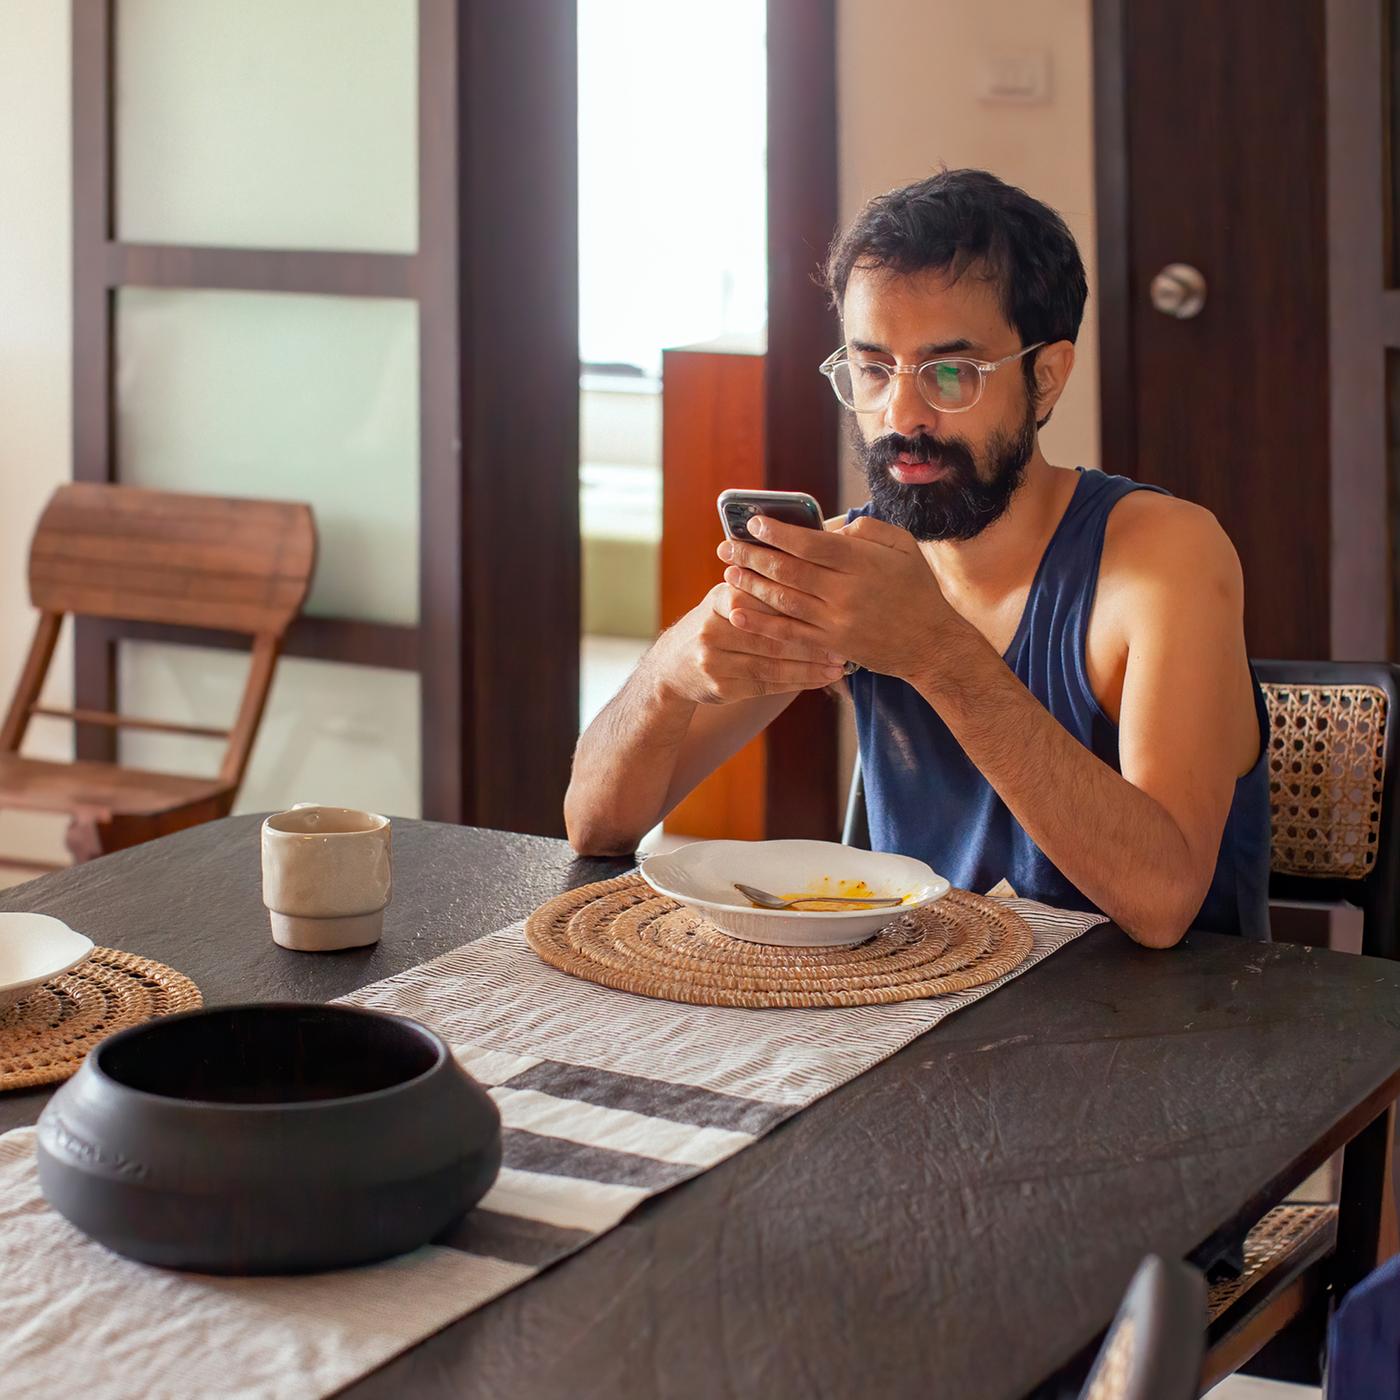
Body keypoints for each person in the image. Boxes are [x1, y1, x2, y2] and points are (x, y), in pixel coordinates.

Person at [565, 169, 1270, 947]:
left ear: (1046, 378)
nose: (901, 415)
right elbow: (595, 826)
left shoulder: (1165, 557)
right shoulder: (852, 566)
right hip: (914, 1023)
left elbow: (1163, 902)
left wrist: (935, 652)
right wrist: (668, 675)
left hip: (1170, 1042)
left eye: (950, 373)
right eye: (873, 369)